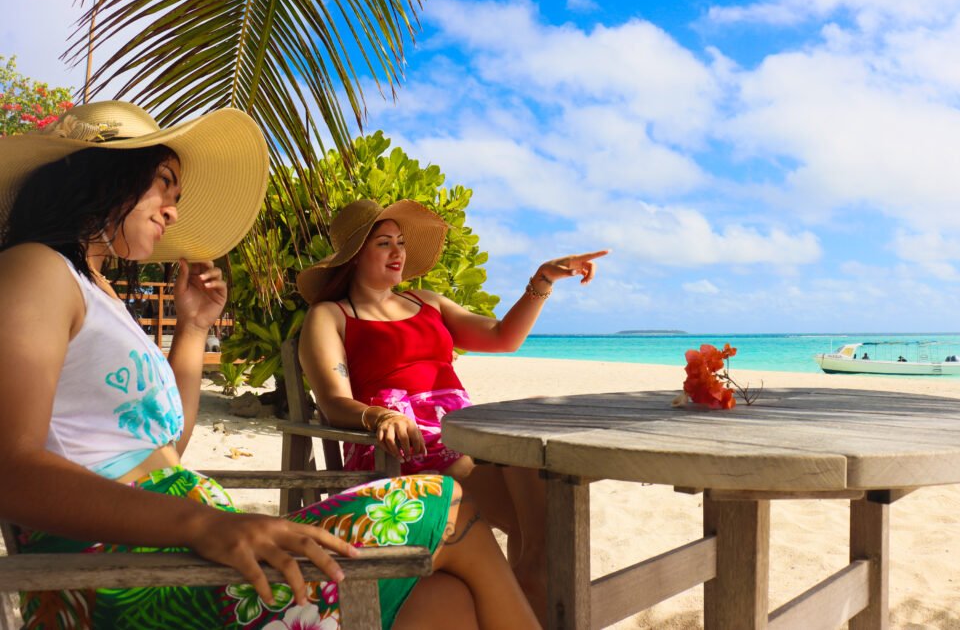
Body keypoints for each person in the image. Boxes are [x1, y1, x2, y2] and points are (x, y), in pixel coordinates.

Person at [0, 102, 538, 630]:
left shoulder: (100, 294)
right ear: (106, 175)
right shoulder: (35, 268)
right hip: (126, 571)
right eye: (164, 183)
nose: (173, 211)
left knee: (447, 603)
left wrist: (192, 327)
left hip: (180, 546)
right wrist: (201, 523)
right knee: (448, 505)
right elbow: (11, 469)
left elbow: (167, 447)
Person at [297, 198, 609, 619]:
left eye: (401, 243)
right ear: (353, 259)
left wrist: (542, 279)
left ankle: (525, 585)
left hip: (468, 432)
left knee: (531, 458)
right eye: (384, 243)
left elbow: (503, 337)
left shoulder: (427, 302)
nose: (398, 253)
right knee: (544, 525)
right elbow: (334, 402)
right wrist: (381, 416)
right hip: (403, 444)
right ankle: (527, 591)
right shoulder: (331, 315)